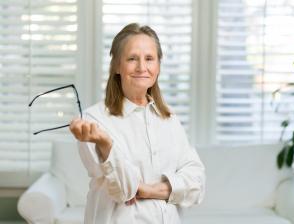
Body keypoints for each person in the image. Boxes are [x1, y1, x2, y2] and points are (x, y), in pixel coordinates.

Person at [69, 23, 205, 224]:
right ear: (116, 65)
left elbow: (197, 185)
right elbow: (123, 191)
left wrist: (145, 189)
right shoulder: (94, 122)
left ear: (158, 66)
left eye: (149, 59)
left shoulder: (169, 118)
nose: (142, 67)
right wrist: (106, 144)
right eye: (132, 58)